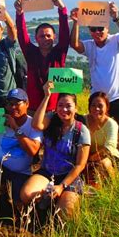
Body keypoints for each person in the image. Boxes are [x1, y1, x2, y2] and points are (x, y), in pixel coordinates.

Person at [70, 2, 119, 157]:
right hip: (97, 99)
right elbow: (75, 45)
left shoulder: (116, 40)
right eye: (93, 29)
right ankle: (96, 161)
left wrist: (116, 17)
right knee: (95, 132)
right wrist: (76, 22)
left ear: (107, 28)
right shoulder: (90, 46)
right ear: (89, 31)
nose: (97, 32)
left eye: (100, 28)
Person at [20, 81, 90, 218]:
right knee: (26, 194)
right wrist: (47, 96)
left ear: (76, 108)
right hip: (48, 172)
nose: (64, 109)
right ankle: (47, 201)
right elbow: (36, 124)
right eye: (60, 105)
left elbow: (80, 165)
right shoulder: (52, 119)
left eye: (68, 106)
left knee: (64, 213)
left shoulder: (81, 131)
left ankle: (61, 199)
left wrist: (62, 186)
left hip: (70, 177)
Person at [13, 0, 69, 113]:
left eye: (48, 35)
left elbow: (65, 35)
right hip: (33, 109)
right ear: (36, 38)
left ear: (54, 37)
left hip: (54, 110)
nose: (45, 39)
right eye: (42, 36)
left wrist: (62, 8)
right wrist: (19, 13)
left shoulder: (59, 54)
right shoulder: (31, 53)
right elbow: (22, 36)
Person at [84, 92, 119, 185]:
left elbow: (109, 148)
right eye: (93, 105)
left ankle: (115, 185)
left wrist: (90, 160)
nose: (96, 109)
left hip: (107, 156)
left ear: (107, 107)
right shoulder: (83, 120)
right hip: (86, 156)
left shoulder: (111, 124)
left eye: (100, 106)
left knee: (104, 163)